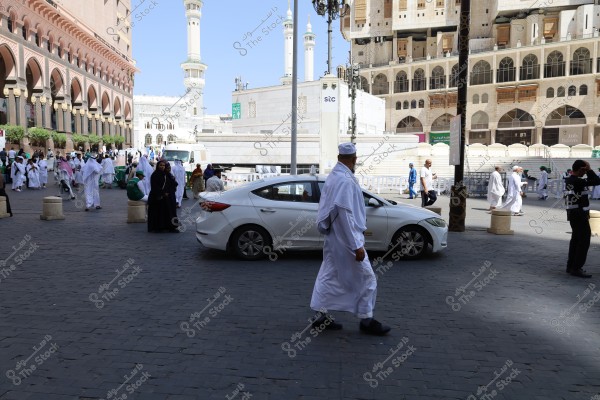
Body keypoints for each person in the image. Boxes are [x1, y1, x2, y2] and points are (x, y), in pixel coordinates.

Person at [310, 142, 390, 336]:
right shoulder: (344, 180)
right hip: (346, 239)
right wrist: (357, 246)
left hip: (334, 238)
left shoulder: (335, 177)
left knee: (328, 275)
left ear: (339, 158)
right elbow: (345, 215)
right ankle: (366, 319)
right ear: (354, 160)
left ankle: (321, 316)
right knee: (368, 278)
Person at [564, 160, 600, 278]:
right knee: (583, 241)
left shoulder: (570, 180)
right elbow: (597, 181)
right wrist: (589, 170)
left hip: (574, 213)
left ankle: (571, 266)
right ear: (580, 169)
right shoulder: (577, 181)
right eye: (584, 171)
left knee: (575, 240)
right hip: (579, 214)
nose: (585, 173)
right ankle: (576, 267)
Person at [147, 160, 179, 233]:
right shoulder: (155, 175)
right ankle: (159, 227)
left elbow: (173, 184)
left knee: (169, 212)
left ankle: (171, 227)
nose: (162, 167)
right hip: (158, 197)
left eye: (163, 165)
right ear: (158, 166)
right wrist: (163, 193)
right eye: (160, 165)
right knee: (159, 213)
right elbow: (154, 186)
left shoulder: (167, 174)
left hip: (168, 197)